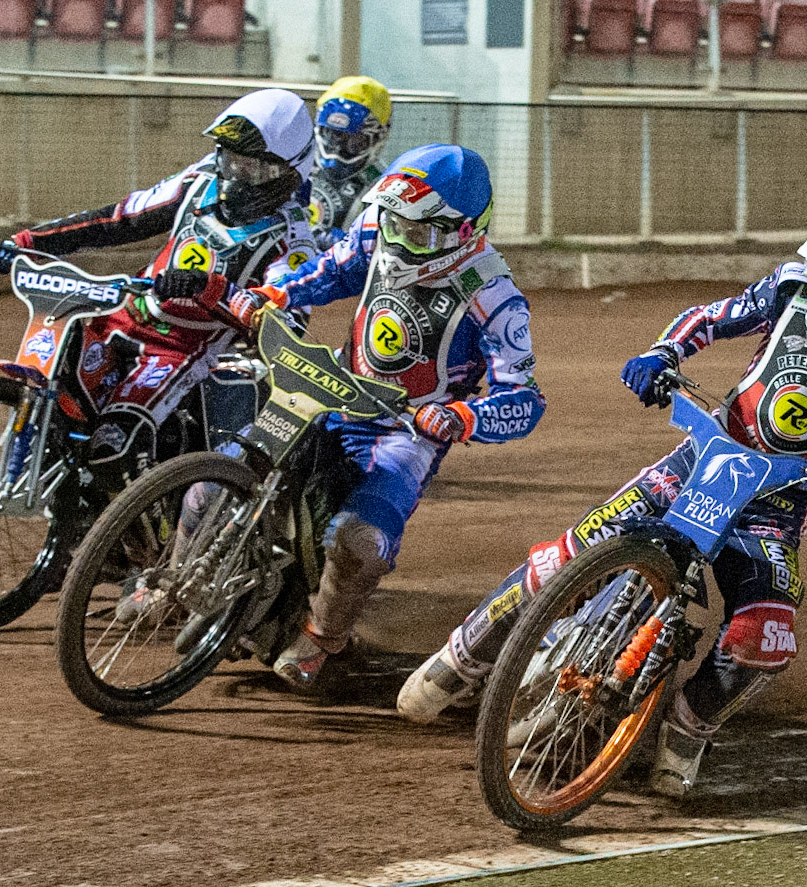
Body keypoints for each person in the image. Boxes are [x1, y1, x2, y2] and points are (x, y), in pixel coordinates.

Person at [397, 194, 807, 799]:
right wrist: (661, 353)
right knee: (565, 557)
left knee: (764, 634)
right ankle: (462, 658)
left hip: (774, 512)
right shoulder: (792, 287)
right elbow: (713, 317)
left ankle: (689, 729)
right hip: (700, 459)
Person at [176, 143, 545, 692]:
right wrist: (268, 295)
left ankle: (325, 637)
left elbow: (524, 398)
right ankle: (173, 583)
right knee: (212, 481)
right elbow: (325, 273)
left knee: (359, 538)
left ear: (464, 229)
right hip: (333, 392)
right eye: (393, 219)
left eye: (417, 230)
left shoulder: (494, 295)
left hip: (407, 429)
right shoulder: (378, 236)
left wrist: (462, 416)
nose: (399, 237)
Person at [0, 88, 317, 483]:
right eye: (229, 160)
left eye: (252, 169)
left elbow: (287, 324)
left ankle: (142, 535)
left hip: (178, 348)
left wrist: (212, 290)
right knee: (59, 390)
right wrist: (28, 242)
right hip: (119, 314)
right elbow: (119, 219)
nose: (235, 177)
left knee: (113, 446)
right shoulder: (198, 182)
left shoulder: (293, 240)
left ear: (288, 172)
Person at [306, 75, 393, 249]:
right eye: (333, 136)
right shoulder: (301, 162)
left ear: (378, 137)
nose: (338, 149)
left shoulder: (382, 188)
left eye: (354, 142)